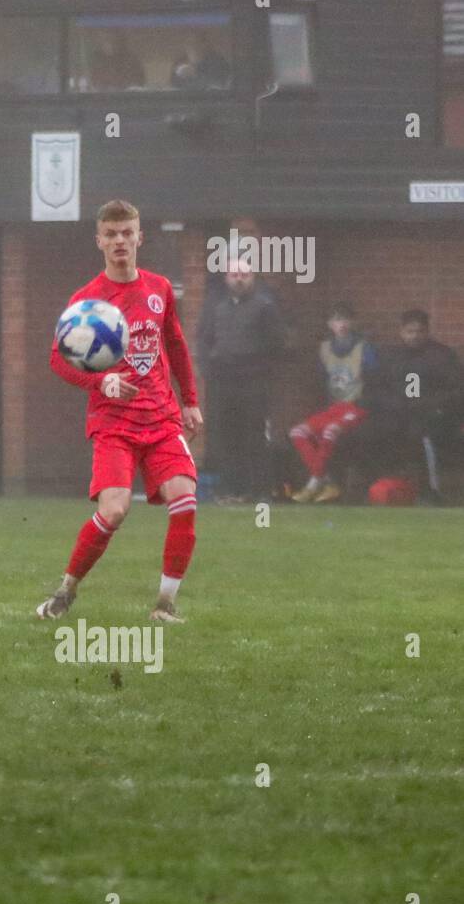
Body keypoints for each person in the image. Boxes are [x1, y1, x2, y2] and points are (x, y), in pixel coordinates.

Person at [37, 200, 203, 624]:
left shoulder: (160, 288)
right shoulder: (86, 301)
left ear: (140, 237)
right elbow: (57, 360)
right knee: (114, 509)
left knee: (184, 500)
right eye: (111, 235)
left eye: (127, 233)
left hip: (162, 417)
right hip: (114, 423)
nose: (120, 241)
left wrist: (191, 402)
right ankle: (66, 590)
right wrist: (101, 381)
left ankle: (164, 606)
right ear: (99, 241)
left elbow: (178, 345)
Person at [340, 310, 463, 504]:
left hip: (429, 416)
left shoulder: (441, 356)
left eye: (419, 331)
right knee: (364, 432)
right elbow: (375, 388)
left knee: (422, 436)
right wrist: (394, 404)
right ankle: (368, 486)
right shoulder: (389, 356)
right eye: (410, 331)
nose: (414, 336)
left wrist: (429, 404)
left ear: (427, 331)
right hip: (395, 414)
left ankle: (430, 491)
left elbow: (455, 390)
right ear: (401, 332)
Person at [196, 248, 285, 502]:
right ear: (226, 277)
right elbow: (203, 338)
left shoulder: (265, 306)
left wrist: (262, 369)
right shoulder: (216, 306)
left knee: (254, 435)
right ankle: (229, 490)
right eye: (234, 274)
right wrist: (207, 368)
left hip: (253, 381)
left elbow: (277, 343)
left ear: (252, 277)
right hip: (222, 381)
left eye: (244, 274)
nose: (239, 279)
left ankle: (258, 491)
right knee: (225, 435)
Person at [290, 304, 375, 503]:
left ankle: (313, 484)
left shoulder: (364, 348)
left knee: (331, 431)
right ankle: (327, 482)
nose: (342, 324)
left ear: (353, 322)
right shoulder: (324, 348)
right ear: (330, 324)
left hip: (356, 405)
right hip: (334, 406)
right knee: (297, 432)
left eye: (345, 319)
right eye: (337, 319)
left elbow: (375, 379)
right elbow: (320, 380)